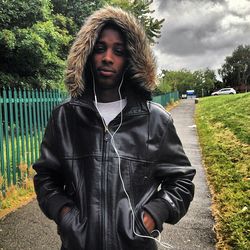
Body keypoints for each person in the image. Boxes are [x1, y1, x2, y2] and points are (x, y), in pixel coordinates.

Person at [33, 6, 196, 250]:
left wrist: (151, 216)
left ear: (131, 58)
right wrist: (66, 215)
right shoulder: (65, 118)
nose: (107, 57)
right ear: (87, 54)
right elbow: (46, 177)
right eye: (100, 48)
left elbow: (181, 181)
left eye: (118, 51)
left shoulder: (155, 120)